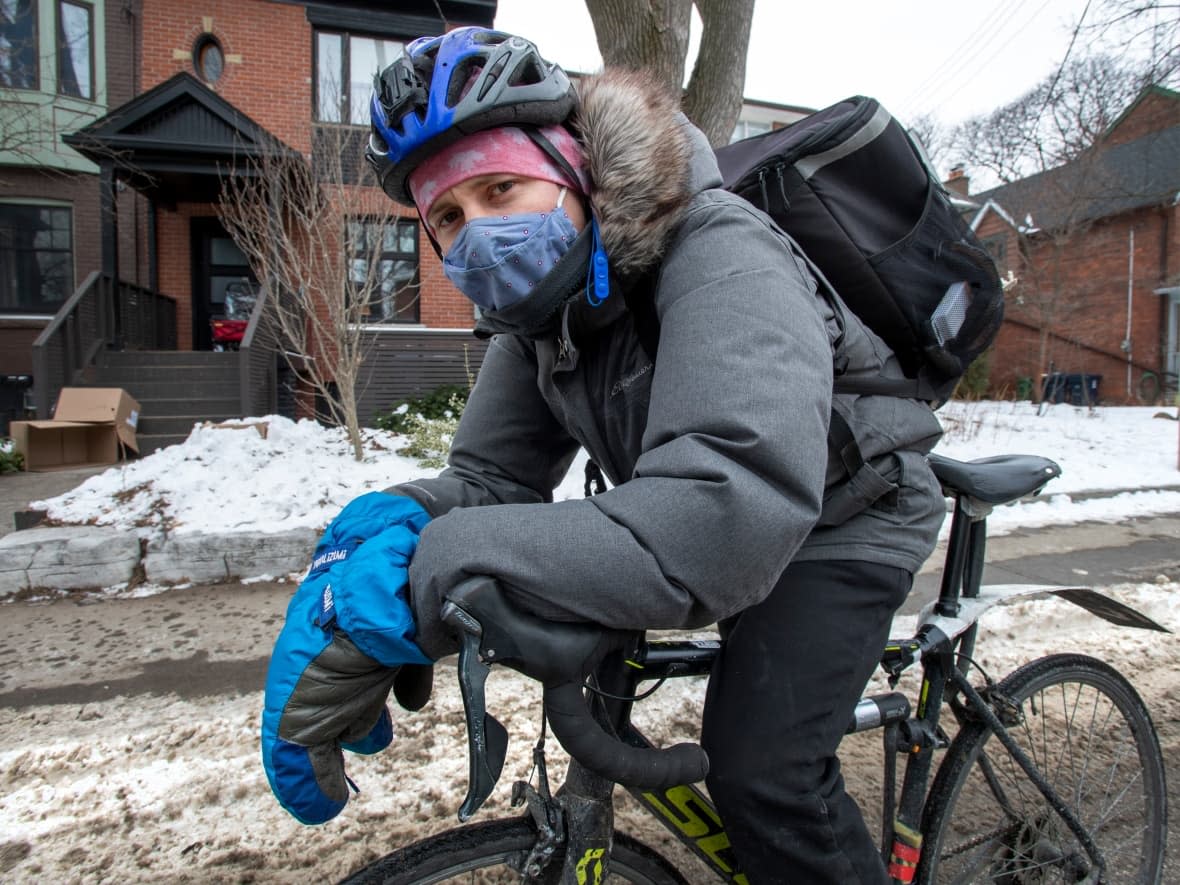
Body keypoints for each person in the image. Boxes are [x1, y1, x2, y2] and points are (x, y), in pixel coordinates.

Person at [262, 26, 946, 884]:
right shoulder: (540, 311)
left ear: (573, 168)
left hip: (848, 511)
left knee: (764, 771)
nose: (476, 232)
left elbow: (722, 514)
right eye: (447, 215)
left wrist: (426, 578)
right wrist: (391, 527)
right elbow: (491, 479)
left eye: (500, 187)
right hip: (726, 516)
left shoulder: (723, 249)